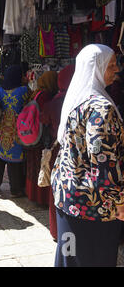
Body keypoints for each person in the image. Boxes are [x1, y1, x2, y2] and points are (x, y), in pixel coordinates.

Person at [52, 44, 124, 267]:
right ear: (96, 67)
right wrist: (120, 202)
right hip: (94, 206)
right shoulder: (101, 107)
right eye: (111, 65)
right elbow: (104, 162)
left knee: (69, 254)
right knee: (95, 259)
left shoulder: (78, 99)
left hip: (68, 197)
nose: (117, 70)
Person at [41, 64, 75, 241]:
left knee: (56, 189)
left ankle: (55, 229)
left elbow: (43, 118)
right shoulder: (77, 100)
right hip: (71, 153)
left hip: (55, 151)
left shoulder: (53, 102)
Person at [0, 65, 30, 198]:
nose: (25, 77)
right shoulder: (24, 90)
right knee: (14, 162)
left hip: (0, 130)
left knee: (0, 159)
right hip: (14, 130)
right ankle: (15, 189)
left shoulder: (0, 90)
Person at [25, 70, 58, 206]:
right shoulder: (47, 95)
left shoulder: (36, 93)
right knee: (43, 165)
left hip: (33, 136)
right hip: (42, 138)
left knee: (34, 166)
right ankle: (41, 198)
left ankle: (33, 194)